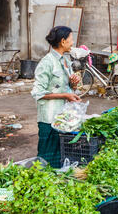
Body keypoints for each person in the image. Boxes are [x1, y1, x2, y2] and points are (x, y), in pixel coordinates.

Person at [31, 26, 82, 168]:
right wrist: (65, 94)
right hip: (48, 118)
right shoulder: (46, 63)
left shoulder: (65, 61)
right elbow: (38, 93)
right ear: (63, 41)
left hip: (62, 117)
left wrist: (73, 85)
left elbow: (68, 88)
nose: (72, 43)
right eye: (71, 39)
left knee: (60, 157)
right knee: (45, 159)